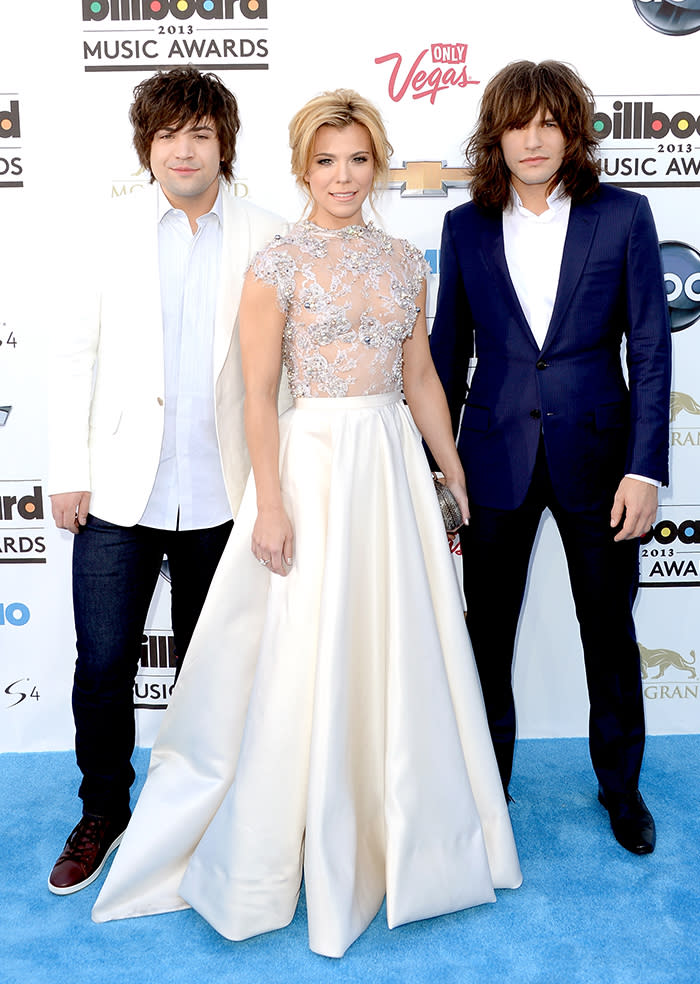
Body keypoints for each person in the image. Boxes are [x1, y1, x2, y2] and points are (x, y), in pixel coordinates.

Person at [91, 89, 522, 957]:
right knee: (305, 648)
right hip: (314, 465)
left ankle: (398, 827)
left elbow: (425, 381)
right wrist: (274, 503)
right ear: (301, 168)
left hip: (390, 466)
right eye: (326, 161)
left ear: (377, 165)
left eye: (359, 159)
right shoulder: (277, 263)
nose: (343, 176)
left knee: (397, 642)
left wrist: (450, 464)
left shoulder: (406, 259)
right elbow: (257, 395)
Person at [47, 66, 287, 895]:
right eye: (167, 136)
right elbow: (74, 354)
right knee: (104, 662)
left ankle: (204, 812)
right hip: (120, 491)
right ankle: (104, 810)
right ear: (146, 147)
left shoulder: (267, 233)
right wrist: (69, 471)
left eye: (201, 135)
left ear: (225, 144)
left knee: (213, 665)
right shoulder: (107, 230)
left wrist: (276, 489)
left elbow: (281, 378)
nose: (183, 151)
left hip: (226, 492)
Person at [430, 60, 671, 855]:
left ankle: (622, 790)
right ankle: (485, 786)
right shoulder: (464, 226)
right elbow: (447, 349)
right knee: (484, 636)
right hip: (491, 461)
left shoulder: (625, 217)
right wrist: (440, 466)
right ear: (495, 134)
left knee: (607, 631)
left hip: (601, 464)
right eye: (516, 123)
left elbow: (652, 348)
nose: (532, 139)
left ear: (573, 131)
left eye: (548, 123)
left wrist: (646, 468)